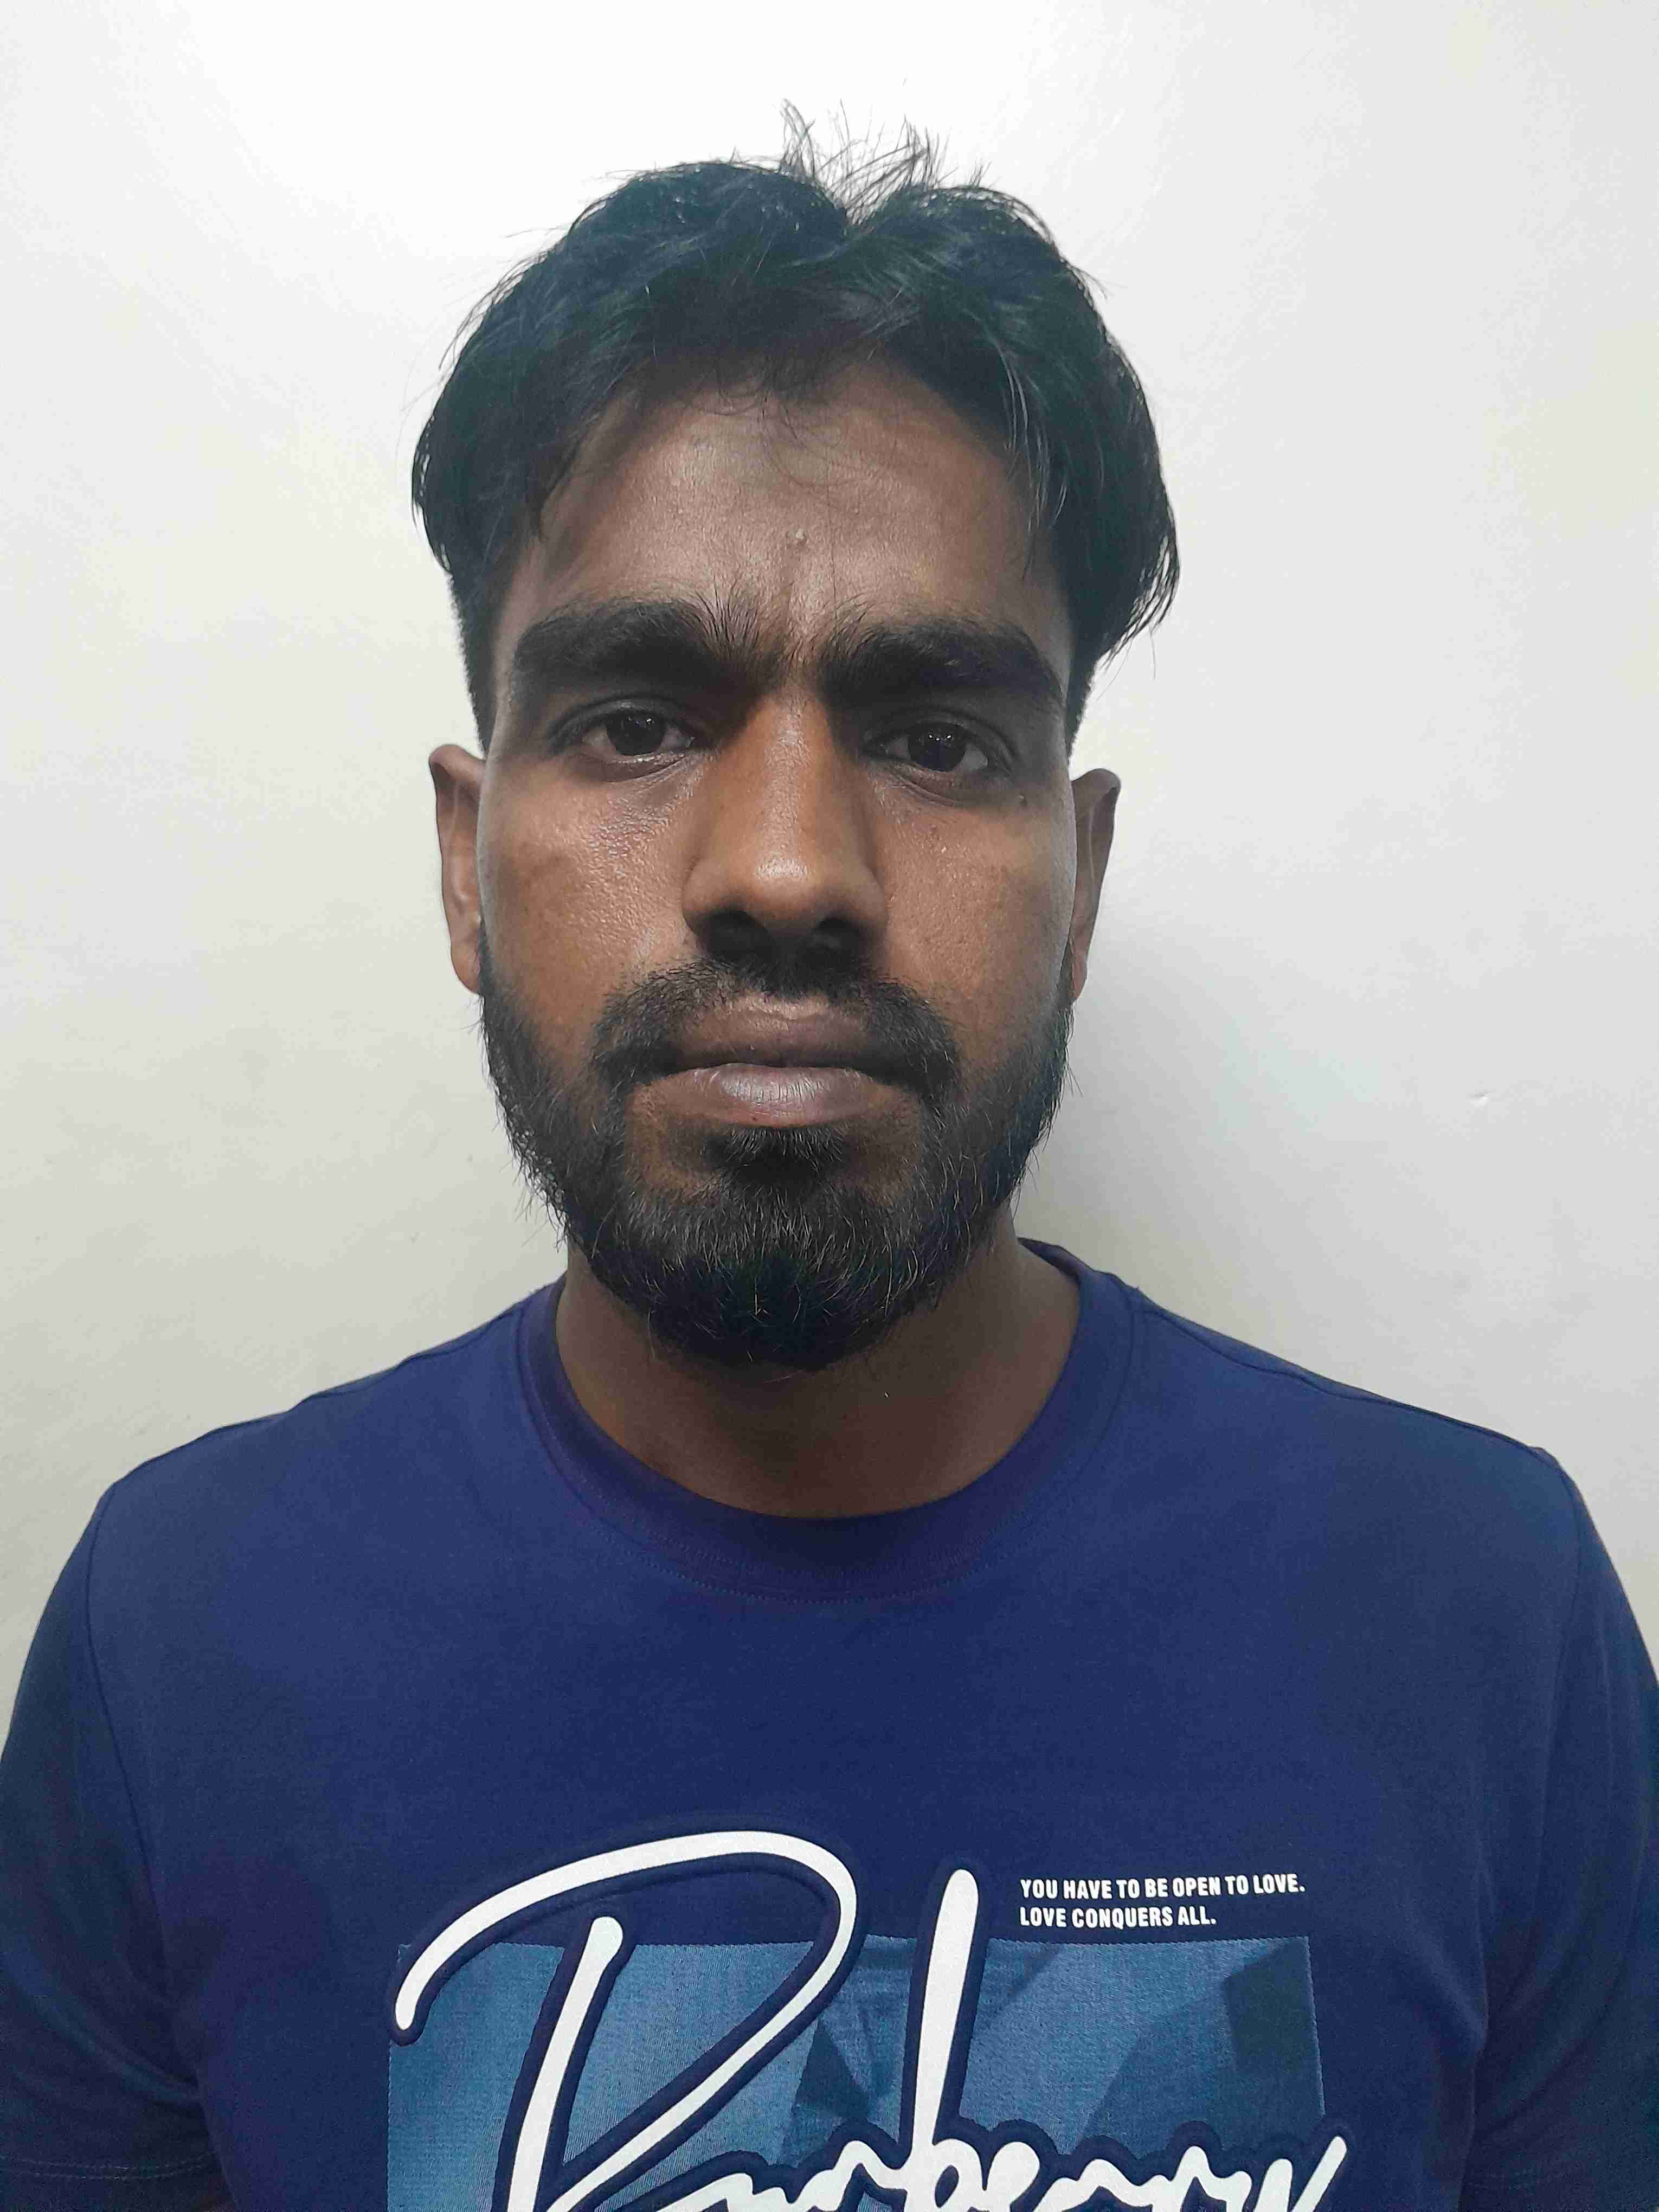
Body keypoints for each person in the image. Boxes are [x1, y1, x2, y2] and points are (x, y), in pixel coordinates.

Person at [2, 118, 1654, 2212]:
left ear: (1078, 882)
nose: (785, 868)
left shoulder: (1481, 1616)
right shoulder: (183, 1636)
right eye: (634, 719)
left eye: (936, 736)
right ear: (464, 863)